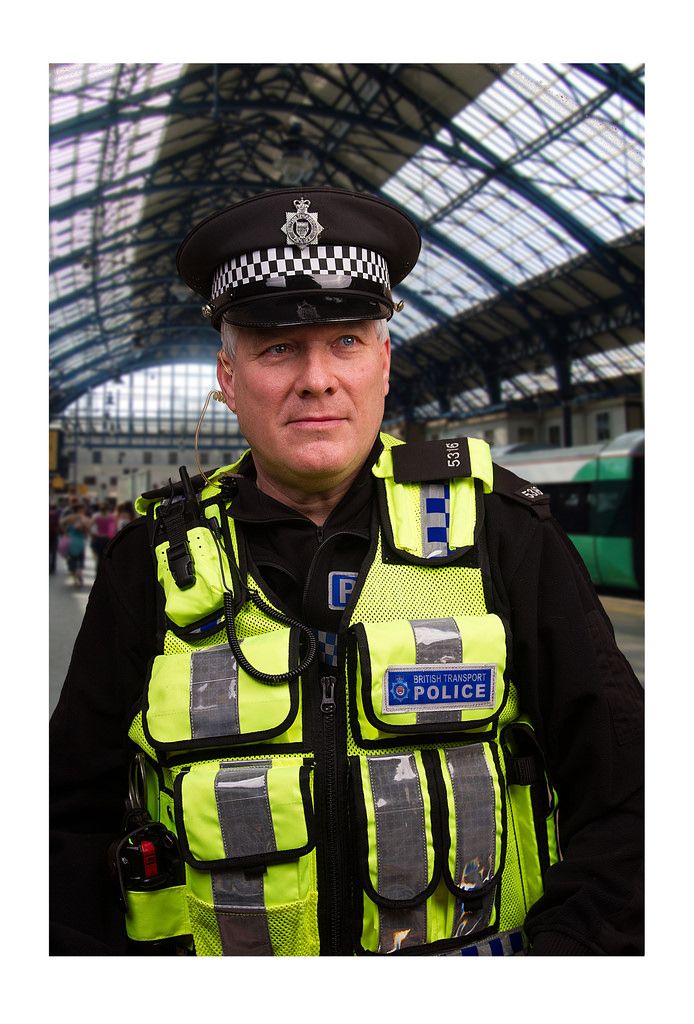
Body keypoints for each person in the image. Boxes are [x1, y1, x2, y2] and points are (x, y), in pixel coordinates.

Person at [49, 186, 644, 956]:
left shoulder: (502, 535)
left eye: (347, 343)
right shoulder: (151, 564)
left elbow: (631, 795)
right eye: (276, 347)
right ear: (228, 377)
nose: (318, 379)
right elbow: (65, 825)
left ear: (385, 363)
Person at [58, 501, 91, 586]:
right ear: (80, 509)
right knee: (80, 558)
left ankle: (75, 577)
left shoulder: (70, 517)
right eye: (83, 509)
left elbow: (61, 522)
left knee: (72, 558)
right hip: (80, 541)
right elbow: (88, 529)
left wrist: (65, 531)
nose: (84, 510)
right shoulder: (84, 518)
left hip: (70, 540)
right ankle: (79, 572)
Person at [90, 501, 118, 570]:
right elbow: (115, 529)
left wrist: (93, 534)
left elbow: (89, 526)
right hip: (108, 539)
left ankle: (98, 571)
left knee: (99, 557)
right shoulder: (112, 518)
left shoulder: (97, 517)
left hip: (99, 539)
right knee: (107, 557)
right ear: (108, 509)